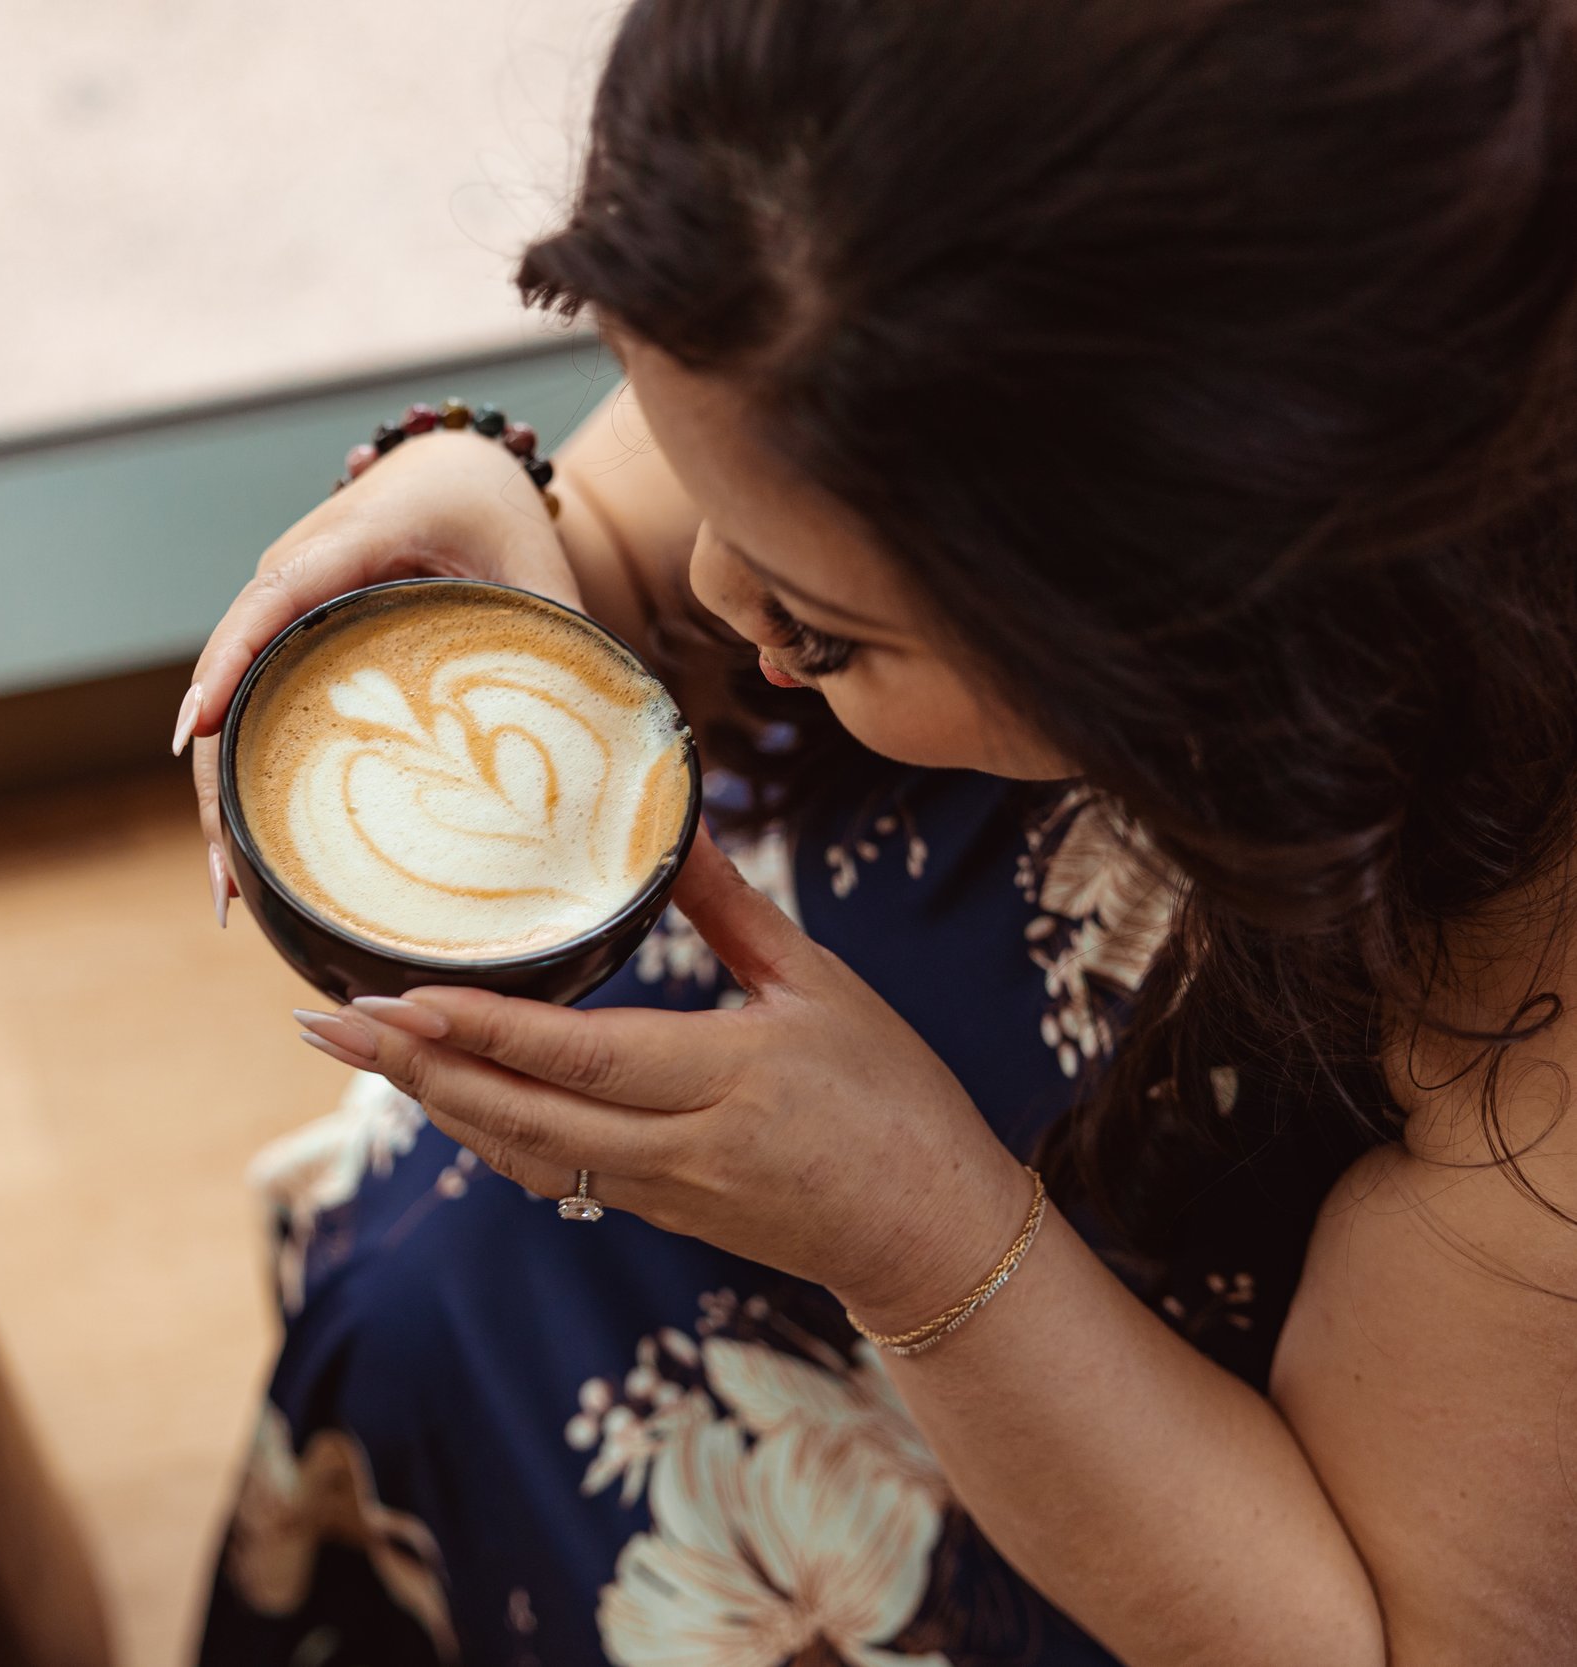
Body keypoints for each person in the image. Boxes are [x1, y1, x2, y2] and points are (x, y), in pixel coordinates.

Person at [178, 2, 1577, 1663]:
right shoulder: (947, 219)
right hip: (798, 1192)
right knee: (424, 1308)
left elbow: (1367, 1638)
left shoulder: (1532, 1033)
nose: (707, 596)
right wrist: (546, 528)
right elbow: (704, 489)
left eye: (821, 631)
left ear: (1227, 630)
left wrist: (911, 1234)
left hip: (1080, 1508)